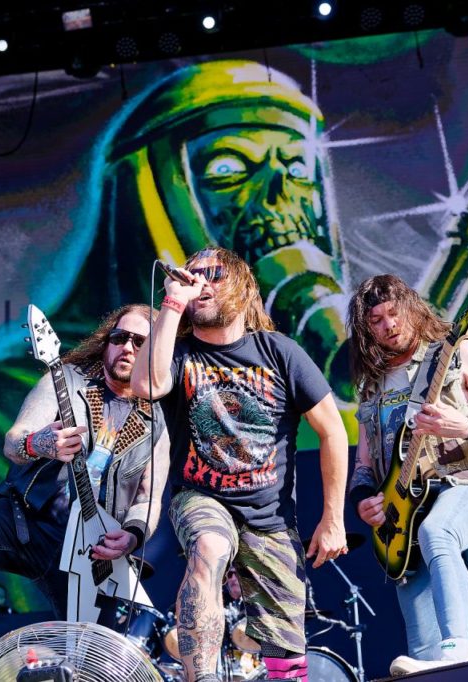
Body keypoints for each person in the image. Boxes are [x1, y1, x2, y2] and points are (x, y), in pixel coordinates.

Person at [0, 304, 170, 682]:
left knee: (98, 660)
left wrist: (132, 536)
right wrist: (39, 443)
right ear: (106, 342)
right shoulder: (64, 381)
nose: (127, 348)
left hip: (92, 549)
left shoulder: (156, 423)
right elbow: (13, 441)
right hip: (28, 523)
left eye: (139, 341)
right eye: (119, 337)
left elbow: (148, 499)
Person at [131, 246, 348, 682]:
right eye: (191, 274)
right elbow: (146, 385)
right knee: (208, 547)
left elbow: (332, 431)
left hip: (270, 516)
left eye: (212, 273)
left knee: (286, 655)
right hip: (202, 496)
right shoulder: (180, 353)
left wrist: (333, 518)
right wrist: (172, 301)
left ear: (242, 286)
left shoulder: (279, 352)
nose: (199, 281)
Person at [345, 274, 468, 676]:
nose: (388, 325)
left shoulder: (459, 354)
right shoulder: (371, 385)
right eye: (376, 320)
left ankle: (460, 645)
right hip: (404, 514)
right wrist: (363, 500)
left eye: (394, 313)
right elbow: (363, 466)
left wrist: (466, 426)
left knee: (439, 531)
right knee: (424, 661)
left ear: (412, 308)